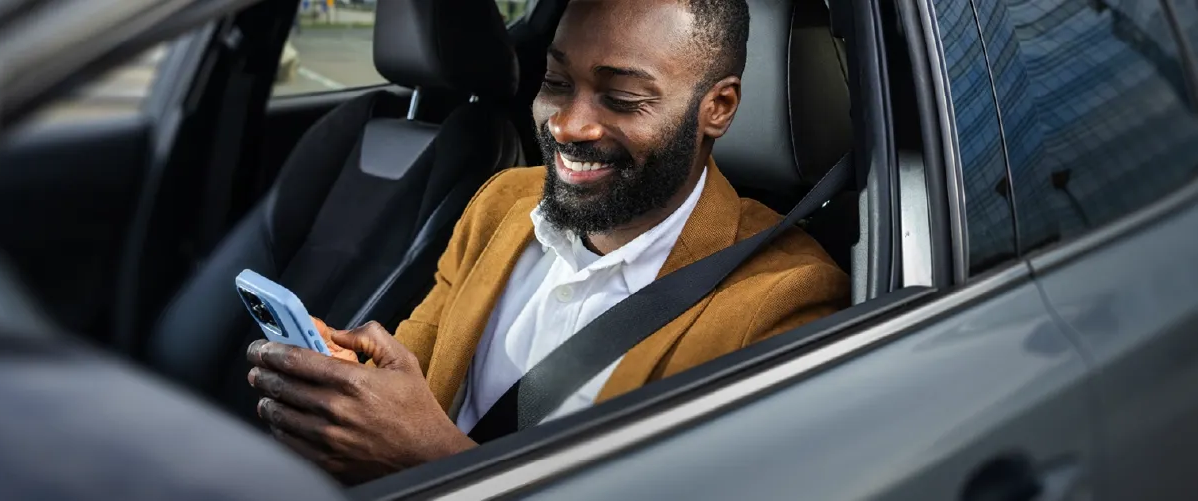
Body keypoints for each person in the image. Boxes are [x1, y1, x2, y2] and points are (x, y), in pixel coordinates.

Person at [243, 0, 849, 484]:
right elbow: (420, 371)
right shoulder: (503, 201)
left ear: (717, 107)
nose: (567, 124)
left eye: (623, 99)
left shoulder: (784, 300)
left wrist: (435, 463)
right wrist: (355, 387)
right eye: (557, 82)